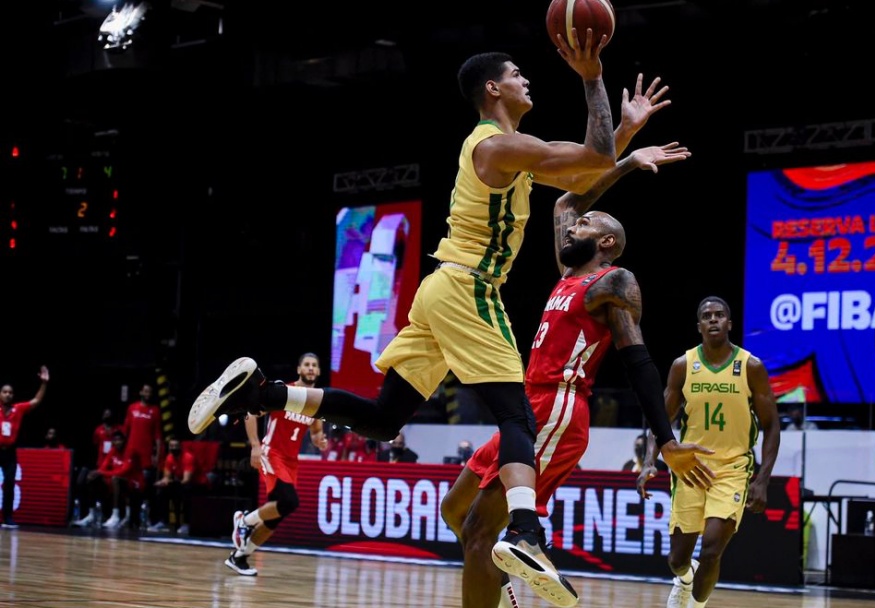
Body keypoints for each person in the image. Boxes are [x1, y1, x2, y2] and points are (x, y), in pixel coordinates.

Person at [189, 33, 708, 603]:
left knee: (385, 418)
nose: (526, 78)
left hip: (441, 289)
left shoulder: (512, 153)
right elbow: (593, 158)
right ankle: (528, 533)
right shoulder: (497, 144)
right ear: (494, 88)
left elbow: (584, 178)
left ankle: (262, 393)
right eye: (517, 73)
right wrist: (592, 75)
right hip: (468, 287)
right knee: (517, 416)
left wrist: (624, 135)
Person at [440, 78, 710, 606]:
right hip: (528, 404)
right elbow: (568, 197)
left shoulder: (613, 282)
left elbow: (639, 363)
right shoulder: (566, 276)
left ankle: (517, 564)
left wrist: (666, 437)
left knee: (477, 531)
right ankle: (512, 574)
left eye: (587, 224)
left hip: (559, 407)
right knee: (456, 510)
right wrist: (628, 154)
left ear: (605, 242)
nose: (573, 223)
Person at [637, 296, 781, 608]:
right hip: (690, 467)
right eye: (707, 316)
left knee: (712, 549)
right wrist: (650, 461)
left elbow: (772, 426)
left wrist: (762, 479)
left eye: (719, 315)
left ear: (729, 323)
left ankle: (697, 604)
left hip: (732, 468)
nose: (713, 320)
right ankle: (685, 579)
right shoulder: (683, 366)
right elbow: (662, 421)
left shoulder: (751, 367)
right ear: (699, 325)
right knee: (677, 560)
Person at [226, 353, 328, 576]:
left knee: (279, 512)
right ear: (299, 369)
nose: (311, 369)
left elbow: (316, 431)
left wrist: (319, 440)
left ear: (318, 372)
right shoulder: (285, 393)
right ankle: (244, 520)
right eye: (307, 365)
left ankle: (239, 557)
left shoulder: (317, 403)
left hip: (291, 463)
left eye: (314, 365)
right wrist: (254, 445)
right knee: (289, 501)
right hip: (272, 454)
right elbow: (250, 413)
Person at [0, 365, 49, 528]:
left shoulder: (18, 409)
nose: (8, 395)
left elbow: (36, 401)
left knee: (9, 484)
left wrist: (44, 384)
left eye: (10, 392)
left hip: (10, 453)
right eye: (5, 392)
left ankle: (7, 518)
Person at [150, 437, 209, 533]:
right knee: (161, 492)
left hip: (197, 483)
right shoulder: (169, 457)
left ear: (180, 447)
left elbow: (187, 479)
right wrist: (162, 482)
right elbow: (167, 477)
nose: (173, 448)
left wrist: (172, 482)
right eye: (171, 446)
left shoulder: (188, 457)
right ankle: (163, 522)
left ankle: (186, 523)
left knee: (184, 493)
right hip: (180, 483)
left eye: (176, 446)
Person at [122, 383, 163, 493]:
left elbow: (158, 434)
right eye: (145, 391)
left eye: (150, 392)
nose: (147, 394)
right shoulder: (132, 408)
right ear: (141, 392)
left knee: (144, 483)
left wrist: (157, 455)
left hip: (146, 454)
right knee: (128, 481)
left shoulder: (155, 410)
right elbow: (125, 431)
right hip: (130, 452)